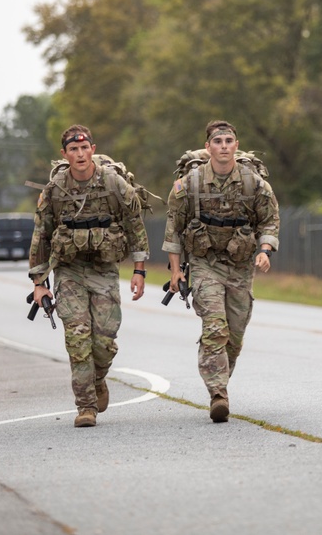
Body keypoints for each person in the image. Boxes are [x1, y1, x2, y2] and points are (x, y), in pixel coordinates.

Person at [29, 125, 149, 428]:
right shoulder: (54, 190)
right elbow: (41, 237)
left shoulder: (114, 183)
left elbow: (135, 224)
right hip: (69, 271)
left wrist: (139, 270)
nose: (80, 154)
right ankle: (86, 406)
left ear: (92, 149)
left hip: (105, 270)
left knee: (104, 341)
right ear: (65, 154)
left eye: (84, 148)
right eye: (73, 149)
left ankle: (97, 379)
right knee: (78, 338)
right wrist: (39, 284)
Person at [163, 120, 280, 422]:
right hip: (205, 264)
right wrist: (176, 272)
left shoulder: (255, 184)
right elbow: (173, 231)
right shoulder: (189, 185)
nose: (224, 146)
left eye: (229, 140)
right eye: (218, 141)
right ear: (208, 147)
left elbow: (269, 221)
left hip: (240, 267)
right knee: (215, 327)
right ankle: (218, 394)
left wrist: (265, 251)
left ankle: (221, 379)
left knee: (235, 336)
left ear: (236, 146)